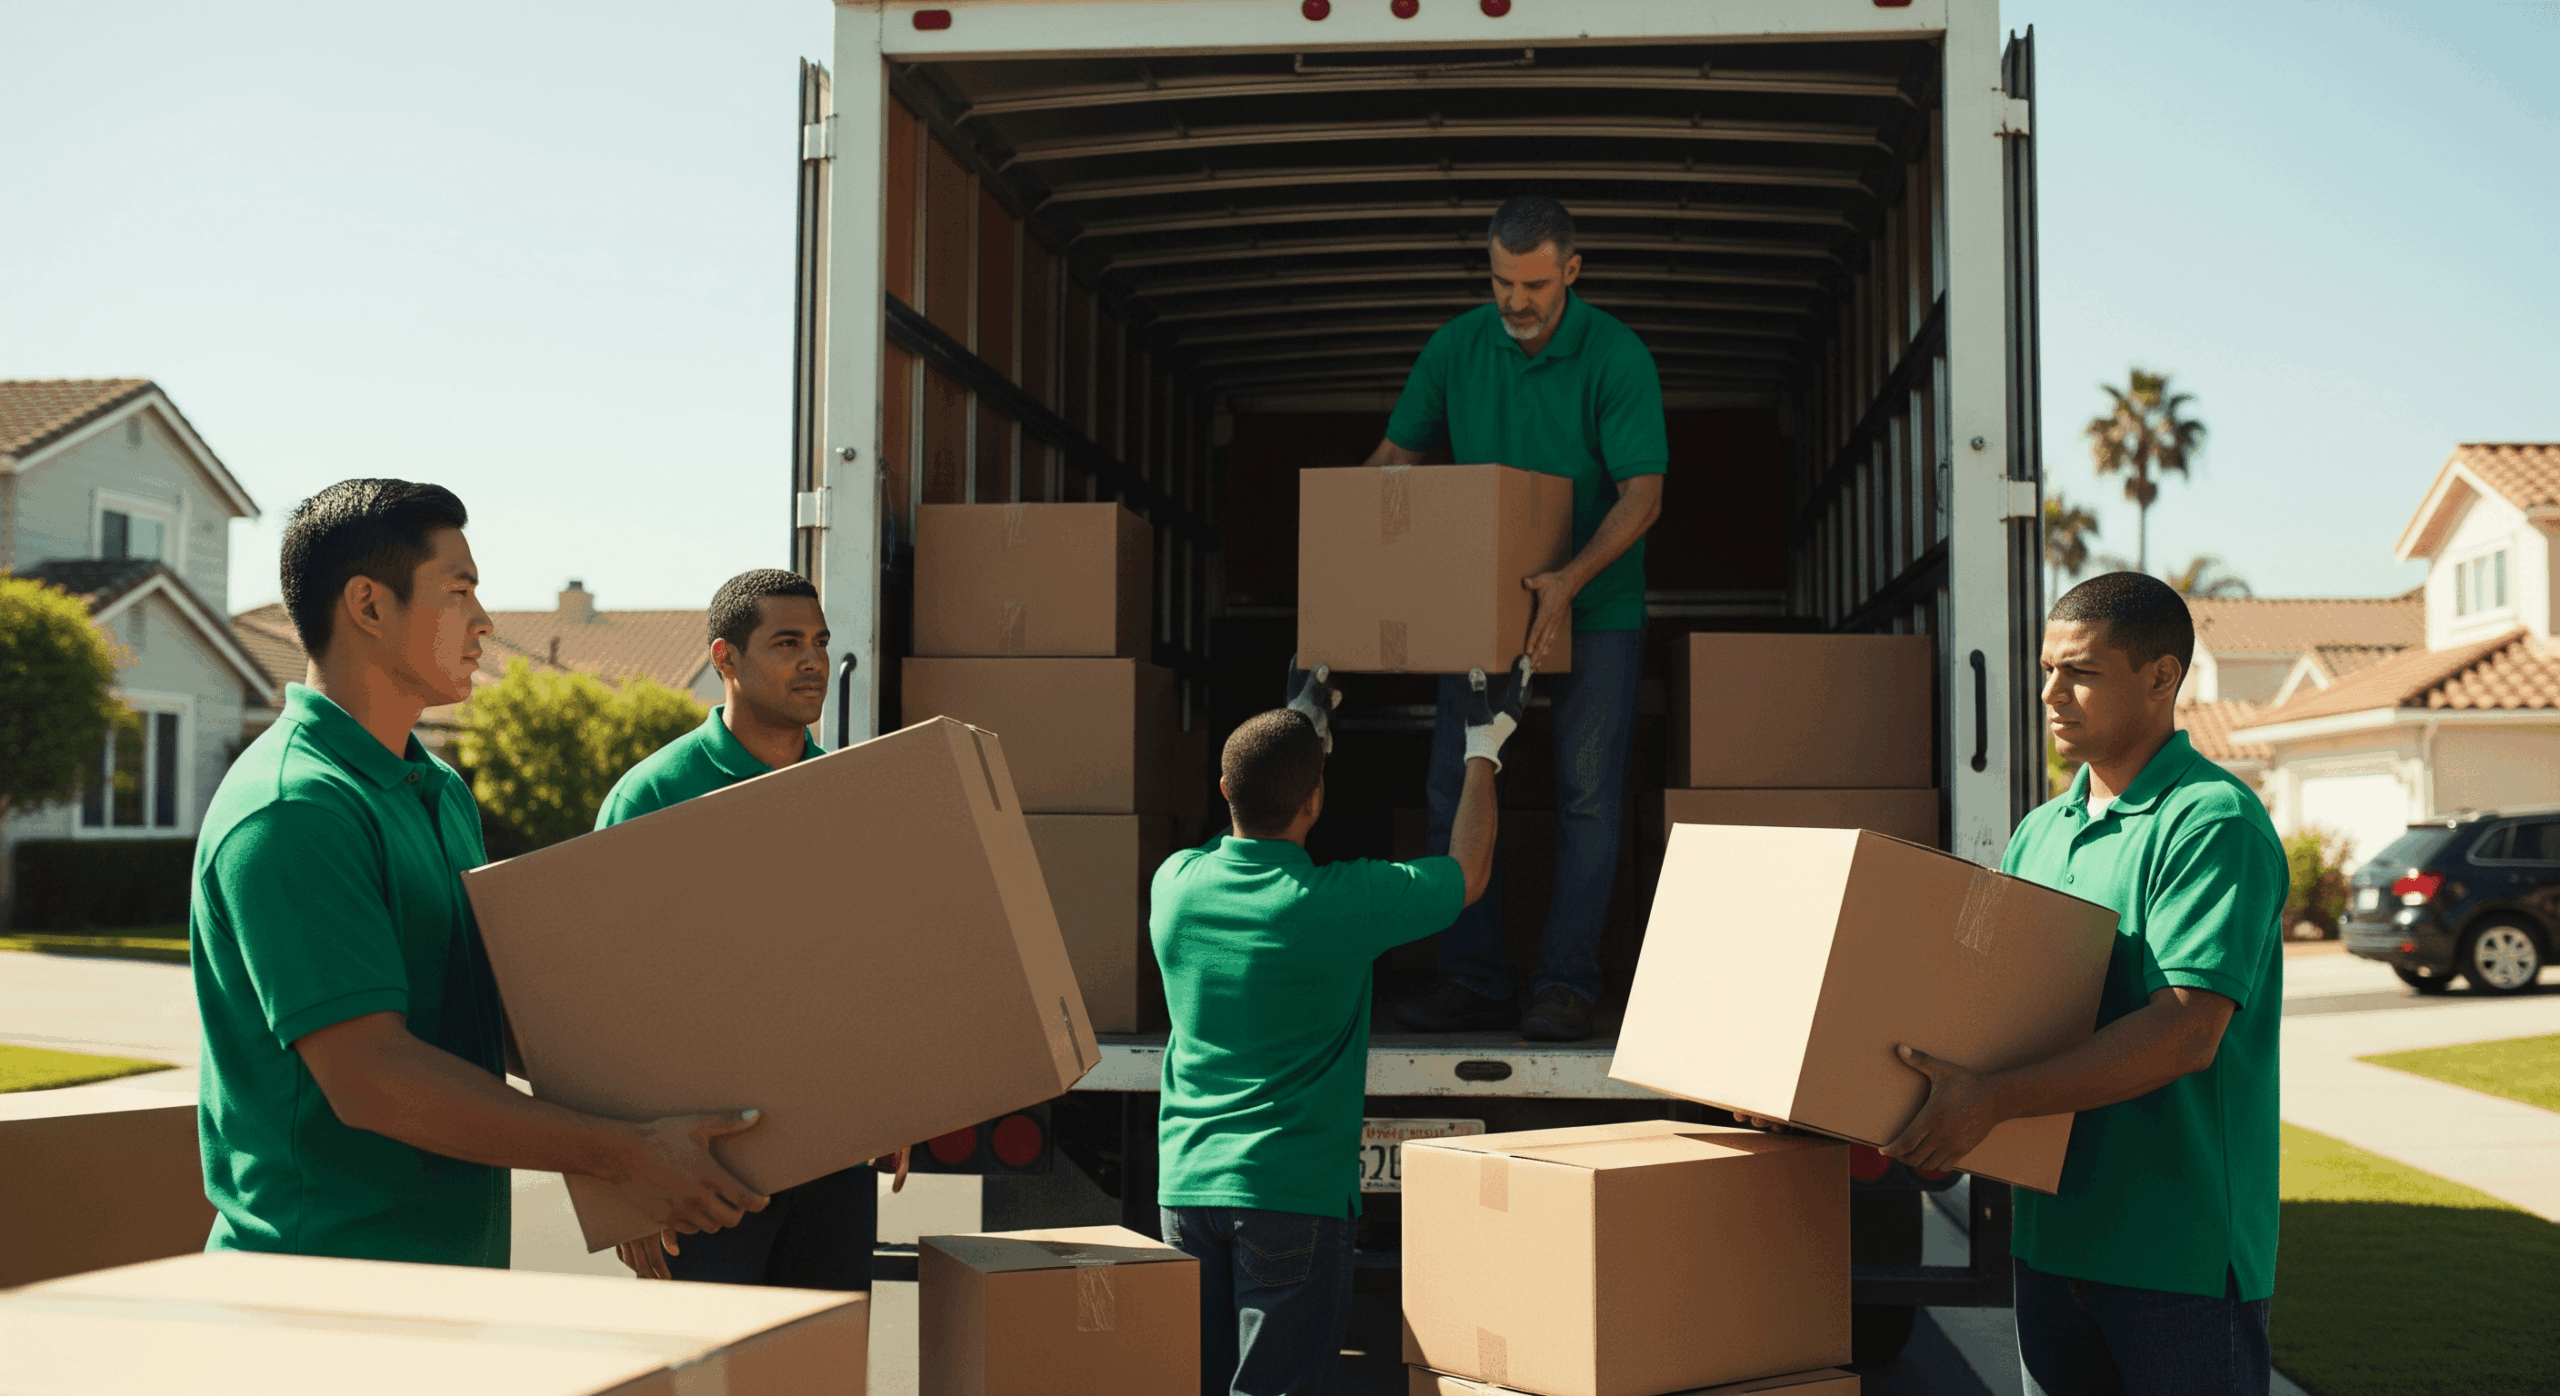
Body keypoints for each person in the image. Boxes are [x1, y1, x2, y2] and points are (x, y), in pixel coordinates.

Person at [191, 478, 766, 1266]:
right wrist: (623, 1154)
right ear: (368, 606)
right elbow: (371, 1076)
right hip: (323, 1283)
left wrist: (672, 1127)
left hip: (454, 1275)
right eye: (459, 591)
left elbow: (491, 1014)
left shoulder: (436, 790)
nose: (485, 622)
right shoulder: (295, 810)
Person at [1872, 571, 2286, 1396]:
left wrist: (1988, 1100)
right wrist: (1921, 1120)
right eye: (2047, 671)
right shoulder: (2041, 833)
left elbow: (2184, 1030)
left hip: (2177, 1255)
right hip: (2052, 1245)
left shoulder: (2211, 822)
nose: (2051, 693)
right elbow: (1989, 1021)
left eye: (2082, 673)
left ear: (2161, 678)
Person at [1155, 661, 1525, 1396]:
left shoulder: (1174, 887)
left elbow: (1239, 812)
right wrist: (1482, 750)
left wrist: (1301, 729)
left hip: (1186, 1194)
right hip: (1292, 1199)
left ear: (1224, 791)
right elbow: (1468, 872)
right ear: (1316, 802)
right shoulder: (1343, 904)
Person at [1377, 195, 1668, 1042]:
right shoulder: (1457, 346)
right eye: (1502, 280)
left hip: (1597, 606)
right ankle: (1470, 977)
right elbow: (1396, 461)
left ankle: (1567, 984)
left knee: (1585, 798)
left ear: (1570, 272)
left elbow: (1642, 495)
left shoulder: (1615, 355)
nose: (1516, 301)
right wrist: (1345, 565)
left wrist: (1570, 580)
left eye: (1534, 284)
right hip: (1478, 607)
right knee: (1454, 786)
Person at [595, 568, 904, 1286]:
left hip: (834, 1157)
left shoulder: (849, 795)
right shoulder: (653, 796)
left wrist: (898, 1097)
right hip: (701, 1173)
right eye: (787, 642)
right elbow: (606, 998)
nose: (813, 662)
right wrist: (624, 1187)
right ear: (724, 658)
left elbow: (873, 963)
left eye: (822, 643)